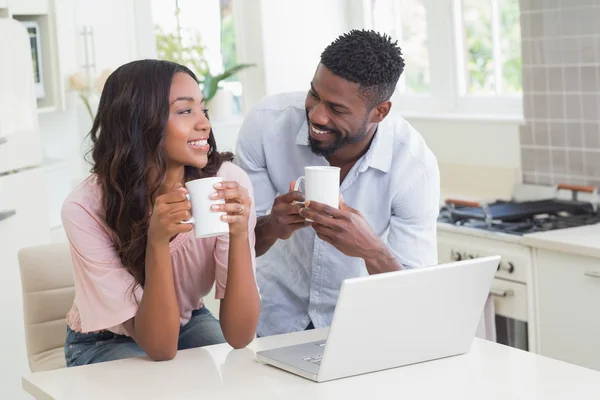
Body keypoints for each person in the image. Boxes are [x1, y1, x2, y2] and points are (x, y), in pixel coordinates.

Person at [235, 30, 440, 337]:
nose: (317, 115)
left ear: (380, 112)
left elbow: (414, 297)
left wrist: (372, 251)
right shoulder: (266, 125)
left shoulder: (412, 166)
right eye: (314, 95)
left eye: (337, 108)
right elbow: (238, 248)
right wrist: (271, 226)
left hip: (357, 328)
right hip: (274, 319)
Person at [61, 59, 260, 366]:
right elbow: (161, 348)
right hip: (105, 339)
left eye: (202, 110)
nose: (204, 123)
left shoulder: (227, 182)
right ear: (138, 122)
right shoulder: (85, 208)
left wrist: (238, 234)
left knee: (242, 369)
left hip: (187, 320)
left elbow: (240, 335)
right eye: (184, 111)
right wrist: (157, 242)